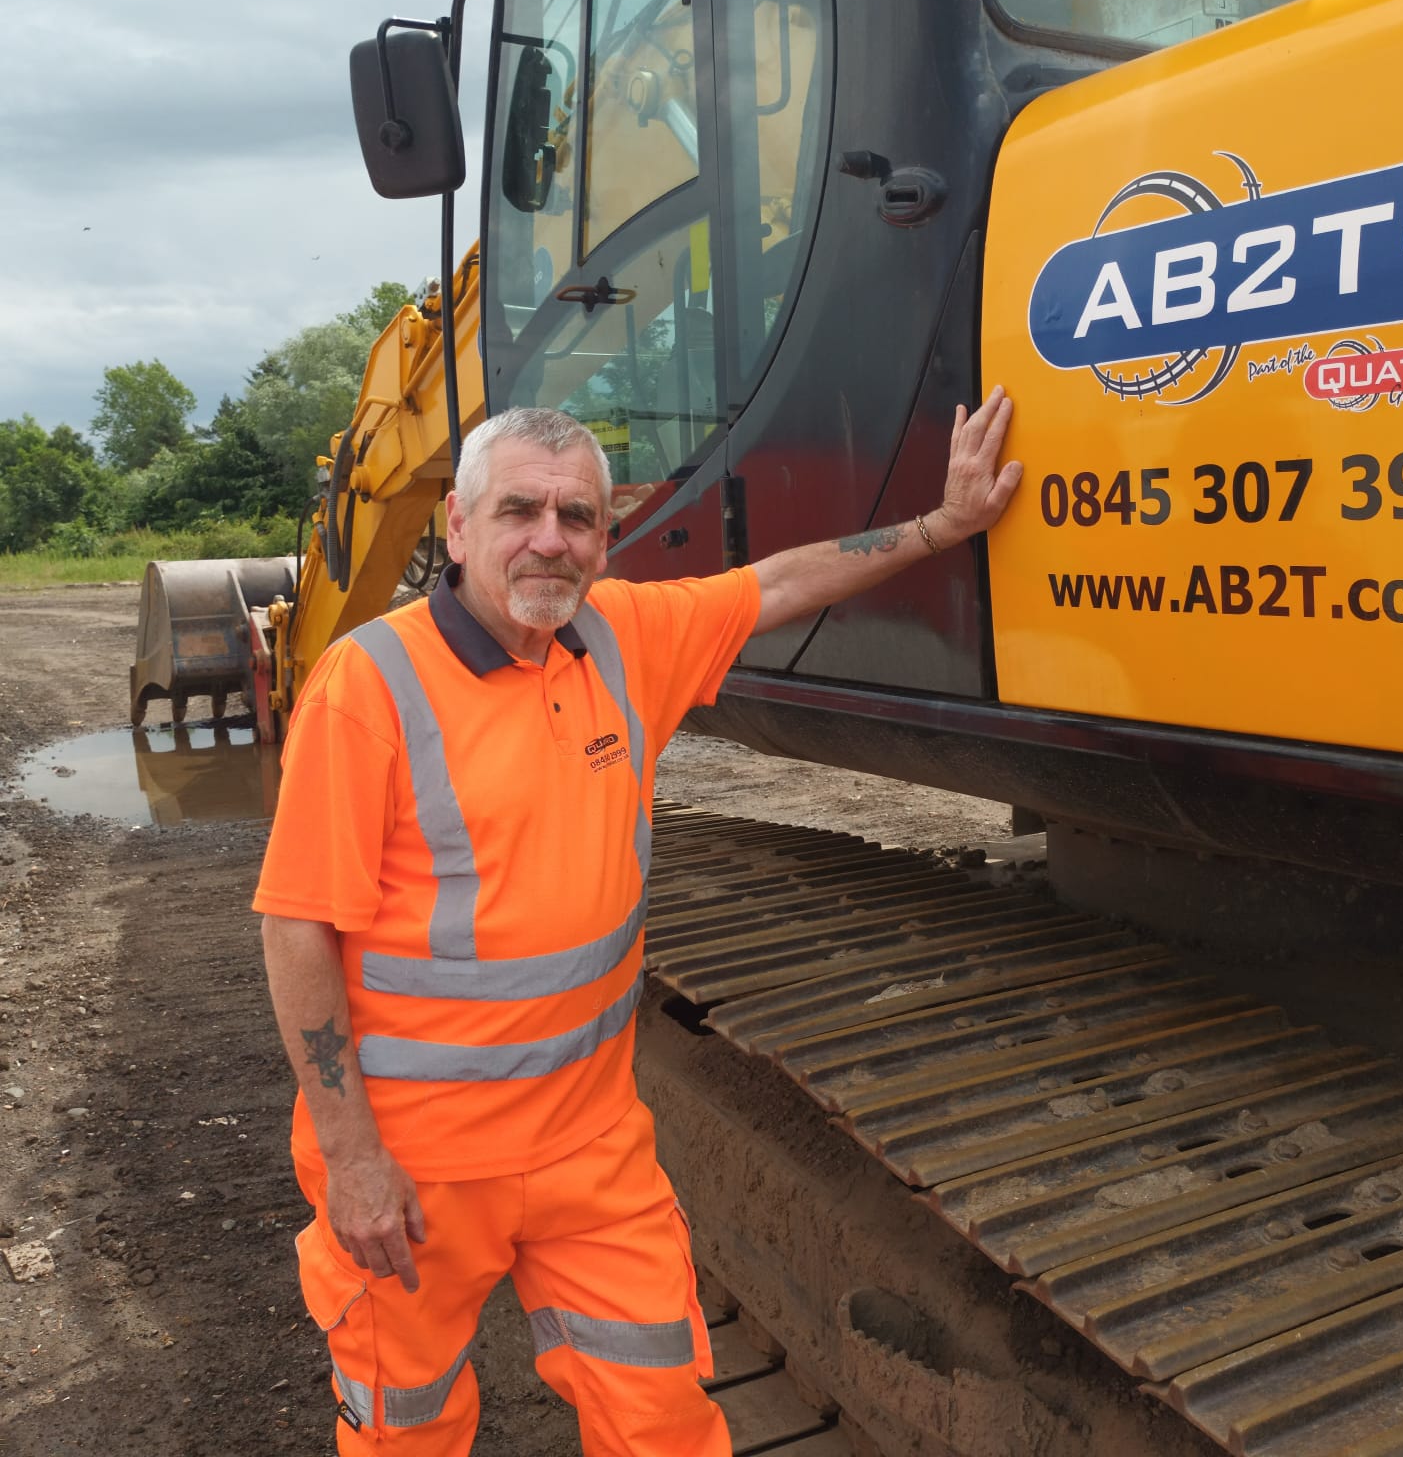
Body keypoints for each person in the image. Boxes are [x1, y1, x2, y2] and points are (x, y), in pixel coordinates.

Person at [254, 389, 1020, 1455]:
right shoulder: (368, 686)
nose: (549, 540)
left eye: (579, 519)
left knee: (660, 1417)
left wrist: (941, 527)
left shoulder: (620, 640)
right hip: (417, 1166)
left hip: (588, 1152)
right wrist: (352, 1159)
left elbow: (778, 582)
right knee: (404, 1428)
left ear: (607, 540)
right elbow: (296, 926)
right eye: (520, 511)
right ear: (459, 528)